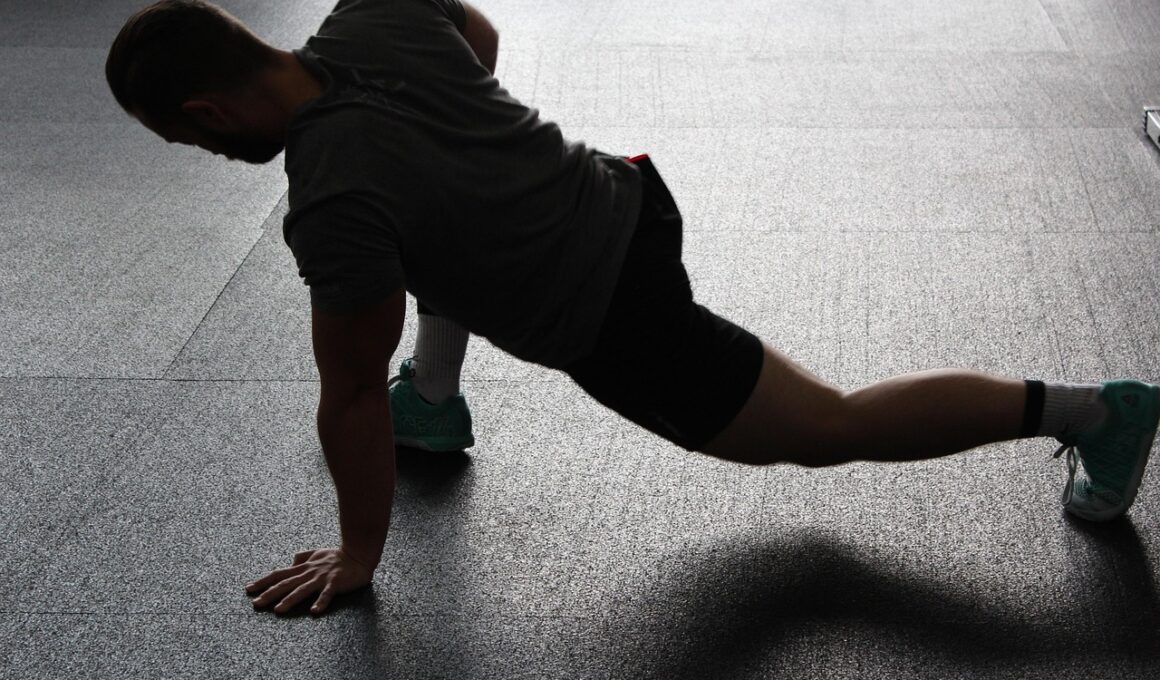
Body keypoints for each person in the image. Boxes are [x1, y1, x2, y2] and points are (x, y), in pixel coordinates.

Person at [105, 0, 1160, 617]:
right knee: (429, 230)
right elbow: (475, 36)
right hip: (625, 191)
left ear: (208, 110)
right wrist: (461, 152)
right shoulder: (370, 17)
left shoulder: (332, 204)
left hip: (614, 316)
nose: (204, 152)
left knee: (829, 427)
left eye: (189, 140)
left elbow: (344, 398)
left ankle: (1095, 413)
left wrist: (359, 555)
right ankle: (433, 392)